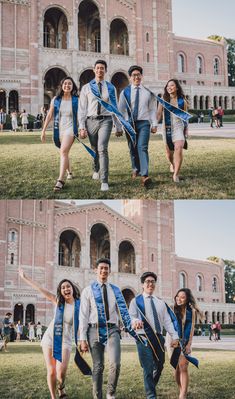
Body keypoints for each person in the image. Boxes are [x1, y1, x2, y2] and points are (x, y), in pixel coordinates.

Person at [18, 267, 91, 399]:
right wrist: (26, 278)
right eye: (63, 288)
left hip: (66, 340)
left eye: (68, 286)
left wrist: (83, 340)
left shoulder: (80, 305)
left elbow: (83, 324)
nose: (66, 289)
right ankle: (54, 396)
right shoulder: (59, 302)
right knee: (51, 371)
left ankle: (61, 388)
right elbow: (41, 290)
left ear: (72, 288)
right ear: (61, 292)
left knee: (61, 373)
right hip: (50, 338)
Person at [79, 257, 141, 399]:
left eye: (106, 268)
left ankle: (110, 394)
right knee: (98, 366)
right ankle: (97, 396)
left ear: (109, 271)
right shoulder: (88, 291)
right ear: (96, 270)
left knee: (115, 363)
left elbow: (124, 312)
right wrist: (82, 338)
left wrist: (134, 320)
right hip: (94, 330)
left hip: (112, 329)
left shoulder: (115, 290)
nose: (104, 270)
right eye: (101, 268)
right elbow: (83, 316)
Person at [129, 272, 179, 399]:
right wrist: (135, 322)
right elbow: (131, 317)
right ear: (142, 285)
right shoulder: (136, 301)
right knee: (148, 367)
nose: (150, 284)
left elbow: (167, 321)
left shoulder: (160, 302)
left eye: (152, 281)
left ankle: (150, 385)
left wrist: (174, 336)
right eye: (147, 282)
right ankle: (151, 395)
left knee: (160, 364)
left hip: (158, 337)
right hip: (143, 338)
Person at [79, 60, 123, 192]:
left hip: (106, 120)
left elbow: (114, 107)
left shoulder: (110, 88)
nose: (100, 70)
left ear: (105, 70)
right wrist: (81, 126)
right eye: (97, 68)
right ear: (94, 70)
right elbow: (82, 109)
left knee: (102, 148)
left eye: (102, 68)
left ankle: (104, 180)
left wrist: (118, 125)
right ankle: (96, 168)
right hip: (90, 120)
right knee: (94, 148)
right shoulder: (86, 88)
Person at [119, 65, 157, 188]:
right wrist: (122, 124)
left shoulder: (148, 92)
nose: (136, 77)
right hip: (129, 123)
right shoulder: (125, 92)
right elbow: (121, 109)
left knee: (142, 147)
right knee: (132, 147)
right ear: (130, 78)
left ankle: (144, 174)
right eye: (134, 75)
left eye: (138, 75)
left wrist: (154, 124)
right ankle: (135, 168)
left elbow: (152, 109)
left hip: (144, 123)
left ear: (141, 76)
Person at [41, 76, 79, 192]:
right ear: (62, 86)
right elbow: (49, 115)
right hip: (59, 129)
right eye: (65, 84)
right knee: (64, 152)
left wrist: (82, 128)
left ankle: (60, 180)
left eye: (70, 84)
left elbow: (81, 115)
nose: (67, 86)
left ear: (72, 87)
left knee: (63, 152)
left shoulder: (76, 99)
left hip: (71, 129)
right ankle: (70, 172)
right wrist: (43, 130)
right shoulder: (56, 99)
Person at [167, 288, 201, 399]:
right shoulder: (171, 309)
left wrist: (188, 344)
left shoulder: (192, 311)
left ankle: (183, 395)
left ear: (187, 300)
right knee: (176, 368)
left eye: (182, 297)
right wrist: (174, 339)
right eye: (178, 296)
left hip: (185, 340)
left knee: (184, 366)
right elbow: (168, 325)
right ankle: (181, 388)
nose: (179, 299)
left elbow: (191, 328)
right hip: (172, 340)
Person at [157, 79, 189, 183]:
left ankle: (176, 174)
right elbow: (158, 114)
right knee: (169, 153)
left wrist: (186, 130)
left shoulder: (182, 101)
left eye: (172, 85)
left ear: (177, 87)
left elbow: (185, 117)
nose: (169, 87)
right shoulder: (163, 99)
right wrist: (154, 125)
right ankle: (172, 164)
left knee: (178, 148)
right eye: (168, 86)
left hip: (179, 126)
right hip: (166, 128)